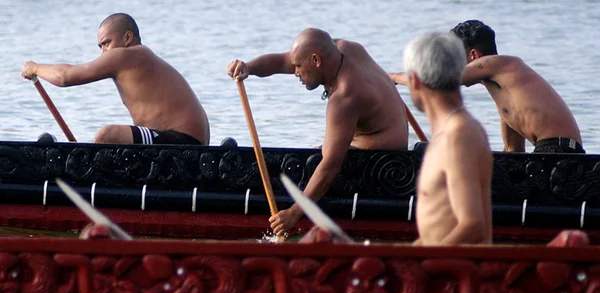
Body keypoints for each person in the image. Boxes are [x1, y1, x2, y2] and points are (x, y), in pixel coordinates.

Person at [227, 28, 409, 237]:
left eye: (298, 67)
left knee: (313, 163)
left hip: (381, 164)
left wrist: (294, 213)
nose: (295, 72)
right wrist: (248, 67)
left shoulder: (345, 97)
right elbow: (282, 61)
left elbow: (330, 165)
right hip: (383, 145)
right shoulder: (345, 48)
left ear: (316, 60)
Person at [390, 20, 584, 154]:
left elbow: (440, 80)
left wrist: (393, 77)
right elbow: (513, 151)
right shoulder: (507, 94)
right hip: (550, 151)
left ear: (474, 55)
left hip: (561, 152)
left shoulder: (499, 63)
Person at [22, 13, 210, 145]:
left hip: (184, 142)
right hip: (182, 141)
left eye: (106, 43)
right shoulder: (142, 59)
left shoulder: (129, 55)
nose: (104, 52)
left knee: (108, 135)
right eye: (100, 46)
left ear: (127, 37)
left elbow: (65, 77)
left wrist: (35, 67)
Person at [404, 31, 493, 245]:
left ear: (414, 81)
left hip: (458, 274)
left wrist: (416, 264)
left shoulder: (459, 135)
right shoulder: (450, 132)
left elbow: (472, 226)